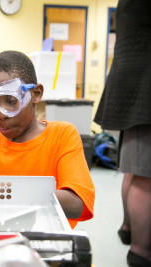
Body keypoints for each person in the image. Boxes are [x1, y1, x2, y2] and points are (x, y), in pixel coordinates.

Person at [0, 51, 95, 229]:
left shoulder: (62, 135)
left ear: (36, 94)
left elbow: (77, 203)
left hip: (46, 238)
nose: (1, 115)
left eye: (11, 101)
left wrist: (1, 193)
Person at [94, 0, 151, 265]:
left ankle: (128, 229)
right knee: (145, 172)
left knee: (134, 166)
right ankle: (141, 252)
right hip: (144, 82)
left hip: (130, 81)